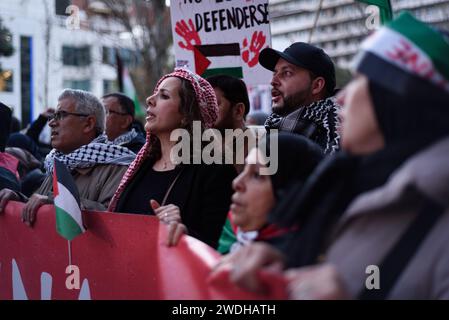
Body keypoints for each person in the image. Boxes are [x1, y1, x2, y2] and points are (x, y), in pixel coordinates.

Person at [214, 13, 449, 299]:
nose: (341, 98)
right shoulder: (345, 183)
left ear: (397, 99)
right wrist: (287, 259)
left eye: (362, 79)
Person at [108, 68, 236, 249]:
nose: (149, 100)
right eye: (154, 94)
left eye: (164, 96)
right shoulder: (142, 164)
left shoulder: (215, 170)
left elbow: (220, 246)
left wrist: (183, 231)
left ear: (186, 114)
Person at [0, 89, 136, 225]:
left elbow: (114, 221)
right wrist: (18, 200)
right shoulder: (58, 163)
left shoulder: (119, 168)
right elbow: (38, 203)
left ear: (88, 124)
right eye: (53, 116)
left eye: (61, 115)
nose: (51, 123)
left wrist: (59, 203)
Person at [217, 133, 323, 254]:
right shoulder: (233, 231)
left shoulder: (303, 264)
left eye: (256, 175)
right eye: (244, 169)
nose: (236, 183)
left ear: (289, 195)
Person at [259, 42, 340, 154]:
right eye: (275, 73)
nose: (273, 82)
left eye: (287, 73)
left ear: (316, 86)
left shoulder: (340, 132)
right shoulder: (271, 131)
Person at [207, 74, 253, 173]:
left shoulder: (259, 152)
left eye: (213, 104)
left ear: (238, 110)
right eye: (203, 105)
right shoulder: (198, 150)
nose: (206, 111)